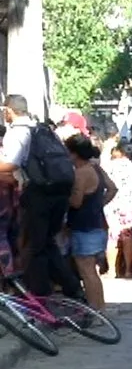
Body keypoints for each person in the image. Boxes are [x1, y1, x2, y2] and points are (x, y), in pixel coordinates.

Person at [0, 95, 83, 298]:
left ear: (9, 111)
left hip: (37, 194)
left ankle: (40, 300)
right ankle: (73, 292)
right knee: (47, 244)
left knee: (33, 249)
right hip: (58, 193)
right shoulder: (43, 129)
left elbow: (11, 164)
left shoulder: (18, 133)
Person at [65, 134, 117, 309]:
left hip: (83, 226)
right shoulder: (96, 168)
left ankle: (95, 309)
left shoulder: (80, 173)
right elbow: (112, 188)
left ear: (74, 154)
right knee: (92, 271)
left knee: (87, 272)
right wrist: (98, 204)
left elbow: (76, 202)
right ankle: (99, 307)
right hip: (98, 223)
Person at [103, 141, 132, 278]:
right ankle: (128, 270)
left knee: (112, 237)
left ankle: (112, 270)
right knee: (128, 236)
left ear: (119, 151)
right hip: (129, 204)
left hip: (111, 203)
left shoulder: (109, 167)